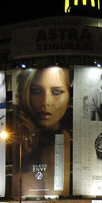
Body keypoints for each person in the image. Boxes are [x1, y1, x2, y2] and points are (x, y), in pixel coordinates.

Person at [12, 67, 71, 196]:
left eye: (56, 92)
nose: (45, 102)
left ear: (69, 98)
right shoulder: (18, 141)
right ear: (26, 94)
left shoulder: (66, 144)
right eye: (36, 91)